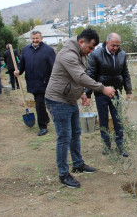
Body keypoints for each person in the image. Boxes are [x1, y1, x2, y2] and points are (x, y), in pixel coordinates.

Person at [45, 29, 116, 189]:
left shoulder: (79, 54)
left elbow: (76, 78)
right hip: (58, 100)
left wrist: (82, 93)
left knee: (75, 133)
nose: (91, 52)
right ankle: (63, 174)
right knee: (64, 137)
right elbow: (80, 76)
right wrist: (102, 88)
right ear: (82, 42)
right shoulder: (68, 55)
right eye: (91, 48)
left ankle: (77, 164)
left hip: (69, 99)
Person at [86, 33, 132, 157]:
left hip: (116, 92)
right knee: (104, 120)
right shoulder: (96, 55)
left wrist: (128, 91)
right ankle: (106, 145)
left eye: (117, 45)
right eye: (113, 45)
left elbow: (125, 73)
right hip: (101, 93)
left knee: (118, 119)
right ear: (107, 43)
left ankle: (120, 145)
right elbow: (90, 75)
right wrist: (88, 94)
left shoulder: (122, 55)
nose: (115, 48)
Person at [15, 31, 55, 136]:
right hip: (31, 81)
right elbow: (21, 65)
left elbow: (54, 67)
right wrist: (18, 71)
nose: (35, 40)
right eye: (33, 38)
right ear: (30, 39)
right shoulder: (25, 50)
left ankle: (43, 126)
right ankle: (45, 118)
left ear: (41, 38)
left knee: (39, 104)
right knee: (39, 102)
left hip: (44, 82)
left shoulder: (48, 50)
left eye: (37, 38)